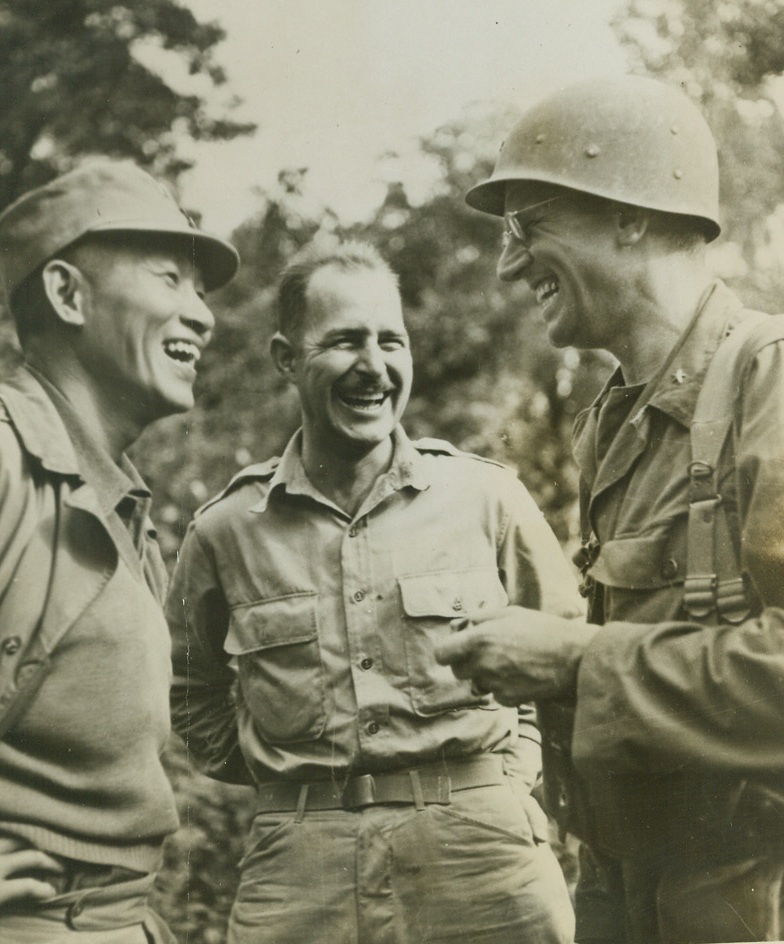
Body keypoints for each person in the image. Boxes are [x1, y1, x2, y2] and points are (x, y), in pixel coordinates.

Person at [435, 74, 784, 944]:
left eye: (528, 227)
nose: (509, 264)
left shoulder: (769, 381)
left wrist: (577, 662)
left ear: (628, 217)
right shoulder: (613, 425)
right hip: (634, 892)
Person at [165, 239, 584, 944]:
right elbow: (191, 692)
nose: (374, 366)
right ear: (286, 359)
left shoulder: (486, 498)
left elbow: (569, 655)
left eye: (391, 341)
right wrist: (293, 785)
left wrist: (508, 776)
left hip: (484, 859)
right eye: (344, 341)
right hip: (300, 868)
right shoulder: (225, 531)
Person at [0, 160, 238, 942]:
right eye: (169, 279)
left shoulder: (120, 500)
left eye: (199, 291)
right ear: (67, 294)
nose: (201, 316)